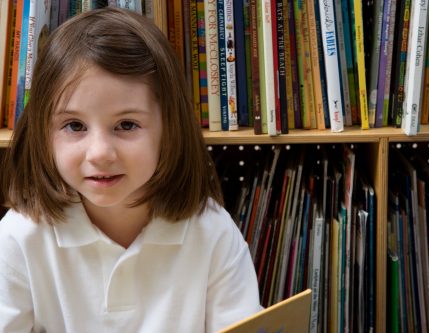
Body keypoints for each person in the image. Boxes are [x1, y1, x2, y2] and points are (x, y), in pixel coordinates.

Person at [0, 7, 261, 332]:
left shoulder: (213, 231)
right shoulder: (19, 237)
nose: (99, 153)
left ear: (169, 128)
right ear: (43, 132)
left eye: (126, 124)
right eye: (74, 125)